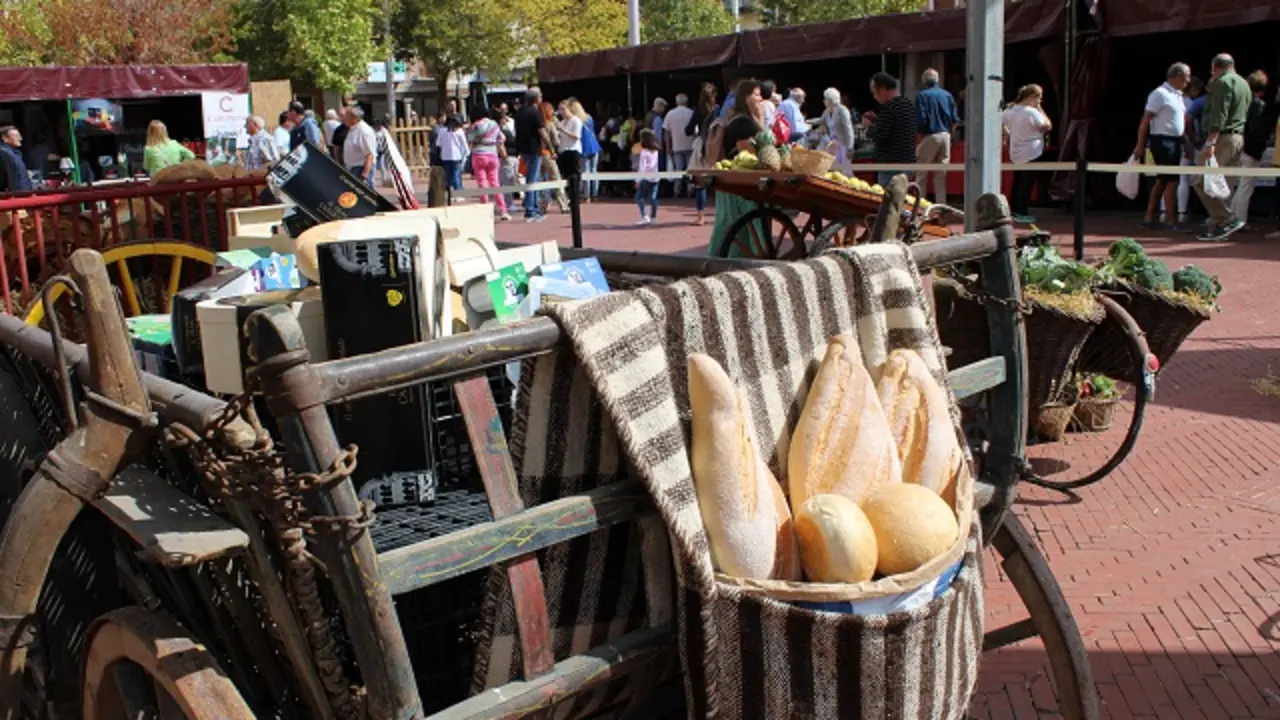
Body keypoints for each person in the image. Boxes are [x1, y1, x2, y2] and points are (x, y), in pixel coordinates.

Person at [1193, 53, 1251, 242]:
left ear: (1215, 67)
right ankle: (1218, 227)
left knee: (1200, 181)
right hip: (1238, 137)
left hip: (1223, 137)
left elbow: (1219, 113)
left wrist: (1211, 141)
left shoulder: (1223, 83)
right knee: (1223, 185)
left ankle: (1225, 219)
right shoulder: (1244, 84)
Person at [709, 80, 770, 256]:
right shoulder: (743, 123)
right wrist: (760, 121)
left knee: (729, 224)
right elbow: (749, 155)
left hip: (734, 185)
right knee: (741, 225)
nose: (760, 99)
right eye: (756, 94)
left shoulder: (737, 118)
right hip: (741, 186)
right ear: (746, 97)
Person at [1133, 63, 1191, 229]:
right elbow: (1145, 121)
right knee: (1172, 181)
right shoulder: (1159, 94)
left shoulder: (1178, 95)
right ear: (1178, 76)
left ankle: (1149, 217)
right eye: (1186, 76)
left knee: (1163, 180)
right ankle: (1172, 221)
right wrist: (1140, 145)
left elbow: (1179, 123)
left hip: (1175, 141)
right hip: (1163, 141)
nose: (1188, 80)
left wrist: (1185, 143)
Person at [1001, 84, 1053, 224]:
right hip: (1031, 151)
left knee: (1017, 181)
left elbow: (1002, 123)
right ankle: (1022, 211)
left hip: (1016, 151)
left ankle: (1014, 210)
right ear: (1031, 97)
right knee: (1026, 183)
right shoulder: (1031, 111)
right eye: (1039, 98)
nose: (1039, 102)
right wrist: (1041, 110)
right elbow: (1047, 126)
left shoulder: (1010, 110)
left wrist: (1007, 135)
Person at [1228, 70, 1269, 231]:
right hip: (1250, 149)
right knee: (1246, 186)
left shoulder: (1241, 101)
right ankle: (1239, 221)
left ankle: (1232, 218)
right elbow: (1256, 129)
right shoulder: (1258, 104)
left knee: (1236, 186)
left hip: (1237, 146)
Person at [863, 72, 916, 190]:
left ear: (882, 89)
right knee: (901, 200)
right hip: (907, 161)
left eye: (874, 93)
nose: (874, 97)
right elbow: (897, 127)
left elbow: (880, 135)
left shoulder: (889, 107)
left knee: (889, 204)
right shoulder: (908, 104)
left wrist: (869, 127)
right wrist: (877, 120)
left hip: (891, 164)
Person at [915, 68, 958, 205]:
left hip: (930, 135)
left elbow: (920, 119)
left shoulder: (922, 96)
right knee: (941, 176)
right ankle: (941, 208)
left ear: (924, 81)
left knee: (922, 174)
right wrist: (950, 135)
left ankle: (920, 207)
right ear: (937, 79)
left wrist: (920, 135)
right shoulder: (947, 95)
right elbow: (955, 119)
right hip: (945, 135)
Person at [467, 107, 509, 220]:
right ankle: (503, 210)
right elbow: (502, 138)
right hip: (492, 154)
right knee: (495, 183)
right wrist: (495, 143)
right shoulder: (494, 124)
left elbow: (470, 140)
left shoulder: (475, 125)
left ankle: (485, 209)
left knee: (482, 183)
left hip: (479, 154)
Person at [687, 84, 719, 225]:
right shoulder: (718, 110)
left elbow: (687, 130)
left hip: (701, 145)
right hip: (716, 145)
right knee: (721, 180)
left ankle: (701, 216)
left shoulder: (698, 110)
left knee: (700, 183)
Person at [514, 88, 546, 222]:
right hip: (534, 149)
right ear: (536, 99)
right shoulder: (535, 113)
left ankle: (534, 207)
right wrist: (550, 147)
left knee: (532, 178)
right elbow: (542, 132)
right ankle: (530, 210)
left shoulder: (519, 112)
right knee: (532, 179)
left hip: (523, 148)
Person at [664, 94, 695, 198]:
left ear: (676, 102)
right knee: (690, 169)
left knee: (678, 170)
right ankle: (690, 189)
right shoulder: (691, 113)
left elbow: (667, 132)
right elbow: (696, 130)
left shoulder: (670, 114)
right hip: (690, 145)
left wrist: (668, 146)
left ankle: (677, 191)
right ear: (686, 102)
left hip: (676, 146)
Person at [569, 100, 601, 201]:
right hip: (594, 146)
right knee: (594, 171)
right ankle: (595, 194)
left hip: (584, 148)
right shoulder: (589, 118)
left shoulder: (575, 120)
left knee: (585, 172)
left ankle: (587, 196)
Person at [821, 88, 856, 175]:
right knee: (835, 171)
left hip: (844, 144)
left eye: (825, 99)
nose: (824, 101)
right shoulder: (828, 111)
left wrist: (850, 148)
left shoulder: (842, 110)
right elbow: (820, 120)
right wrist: (805, 122)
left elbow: (849, 130)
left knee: (846, 171)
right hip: (834, 145)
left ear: (830, 100)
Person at [342, 106, 378, 187]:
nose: (344, 118)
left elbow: (370, 155)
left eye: (346, 116)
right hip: (353, 168)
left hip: (361, 168)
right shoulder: (353, 128)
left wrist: (364, 175)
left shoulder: (364, 131)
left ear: (355, 118)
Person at [554, 99, 583, 192]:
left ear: (569, 108)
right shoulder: (562, 122)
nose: (561, 112)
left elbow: (576, 136)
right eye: (559, 109)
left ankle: (575, 200)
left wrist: (563, 130)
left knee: (573, 177)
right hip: (563, 151)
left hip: (573, 150)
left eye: (563, 109)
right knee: (565, 176)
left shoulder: (575, 120)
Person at [635, 128, 660, 225]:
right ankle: (653, 217)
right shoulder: (656, 151)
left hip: (645, 178)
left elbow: (642, 167)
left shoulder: (644, 152)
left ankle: (644, 216)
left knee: (639, 196)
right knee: (652, 198)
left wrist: (638, 180)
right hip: (655, 177)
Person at [437, 114, 468, 191]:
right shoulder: (459, 131)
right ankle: (457, 192)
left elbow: (438, 143)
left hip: (445, 156)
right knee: (456, 175)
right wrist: (466, 153)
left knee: (448, 175)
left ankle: (448, 192)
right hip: (457, 156)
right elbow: (464, 144)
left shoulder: (442, 131)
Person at [497, 106, 520, 210]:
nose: (505, 117)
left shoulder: (512, 124)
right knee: (506, 181)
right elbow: (499, 144)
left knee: (512, 180)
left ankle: (509, 202)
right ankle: (508, 204)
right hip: (506, 156)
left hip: (515, 155)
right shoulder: (498, 128)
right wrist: (504, 156)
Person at [0, 126, 32, 192]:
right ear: (5, 138)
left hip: (24, 192)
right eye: (16, 136)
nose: (20, 138)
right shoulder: (3, 153)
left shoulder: (16, 153)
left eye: (19, 136)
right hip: (15, 195)